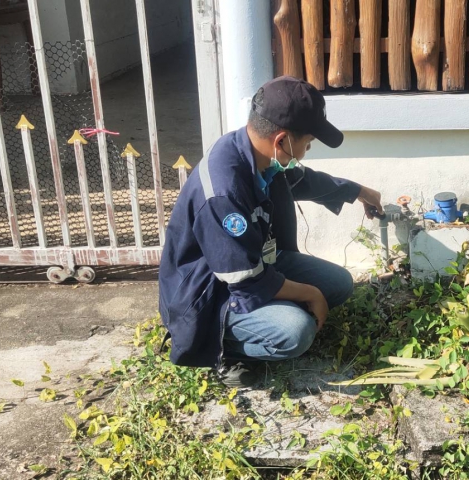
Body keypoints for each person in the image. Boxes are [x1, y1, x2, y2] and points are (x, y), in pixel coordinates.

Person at [159, 76, 384, 387]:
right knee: (296, 332)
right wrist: (310, 294)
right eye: (307, 143)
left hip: (255, 263)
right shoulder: (224, 192)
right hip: (210, 291)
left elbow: (302, 180)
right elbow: (244, 280)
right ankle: (219, 349)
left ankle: (272, 312)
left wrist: (357, 191)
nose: (307, 151)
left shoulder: (259, 154)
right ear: (282, 141)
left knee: (339, 284)